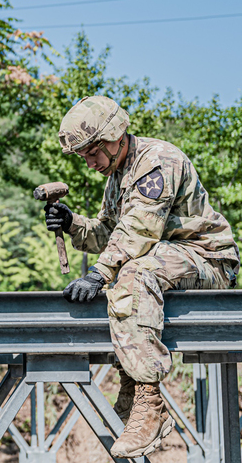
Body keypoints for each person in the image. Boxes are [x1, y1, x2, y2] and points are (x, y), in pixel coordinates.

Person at [46, 95, 239, 458]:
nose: (88, 164)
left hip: (209, 260)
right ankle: (132, 386)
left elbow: (139, 231)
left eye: (91, 153)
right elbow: (107, 232)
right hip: (167, 259)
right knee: (131, 270)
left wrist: (100, 273)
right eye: (83, 156)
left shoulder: (157, 161)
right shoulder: (118, 174)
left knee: (132, 272)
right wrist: (73, 224)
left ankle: (149, 403)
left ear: (114, 137)